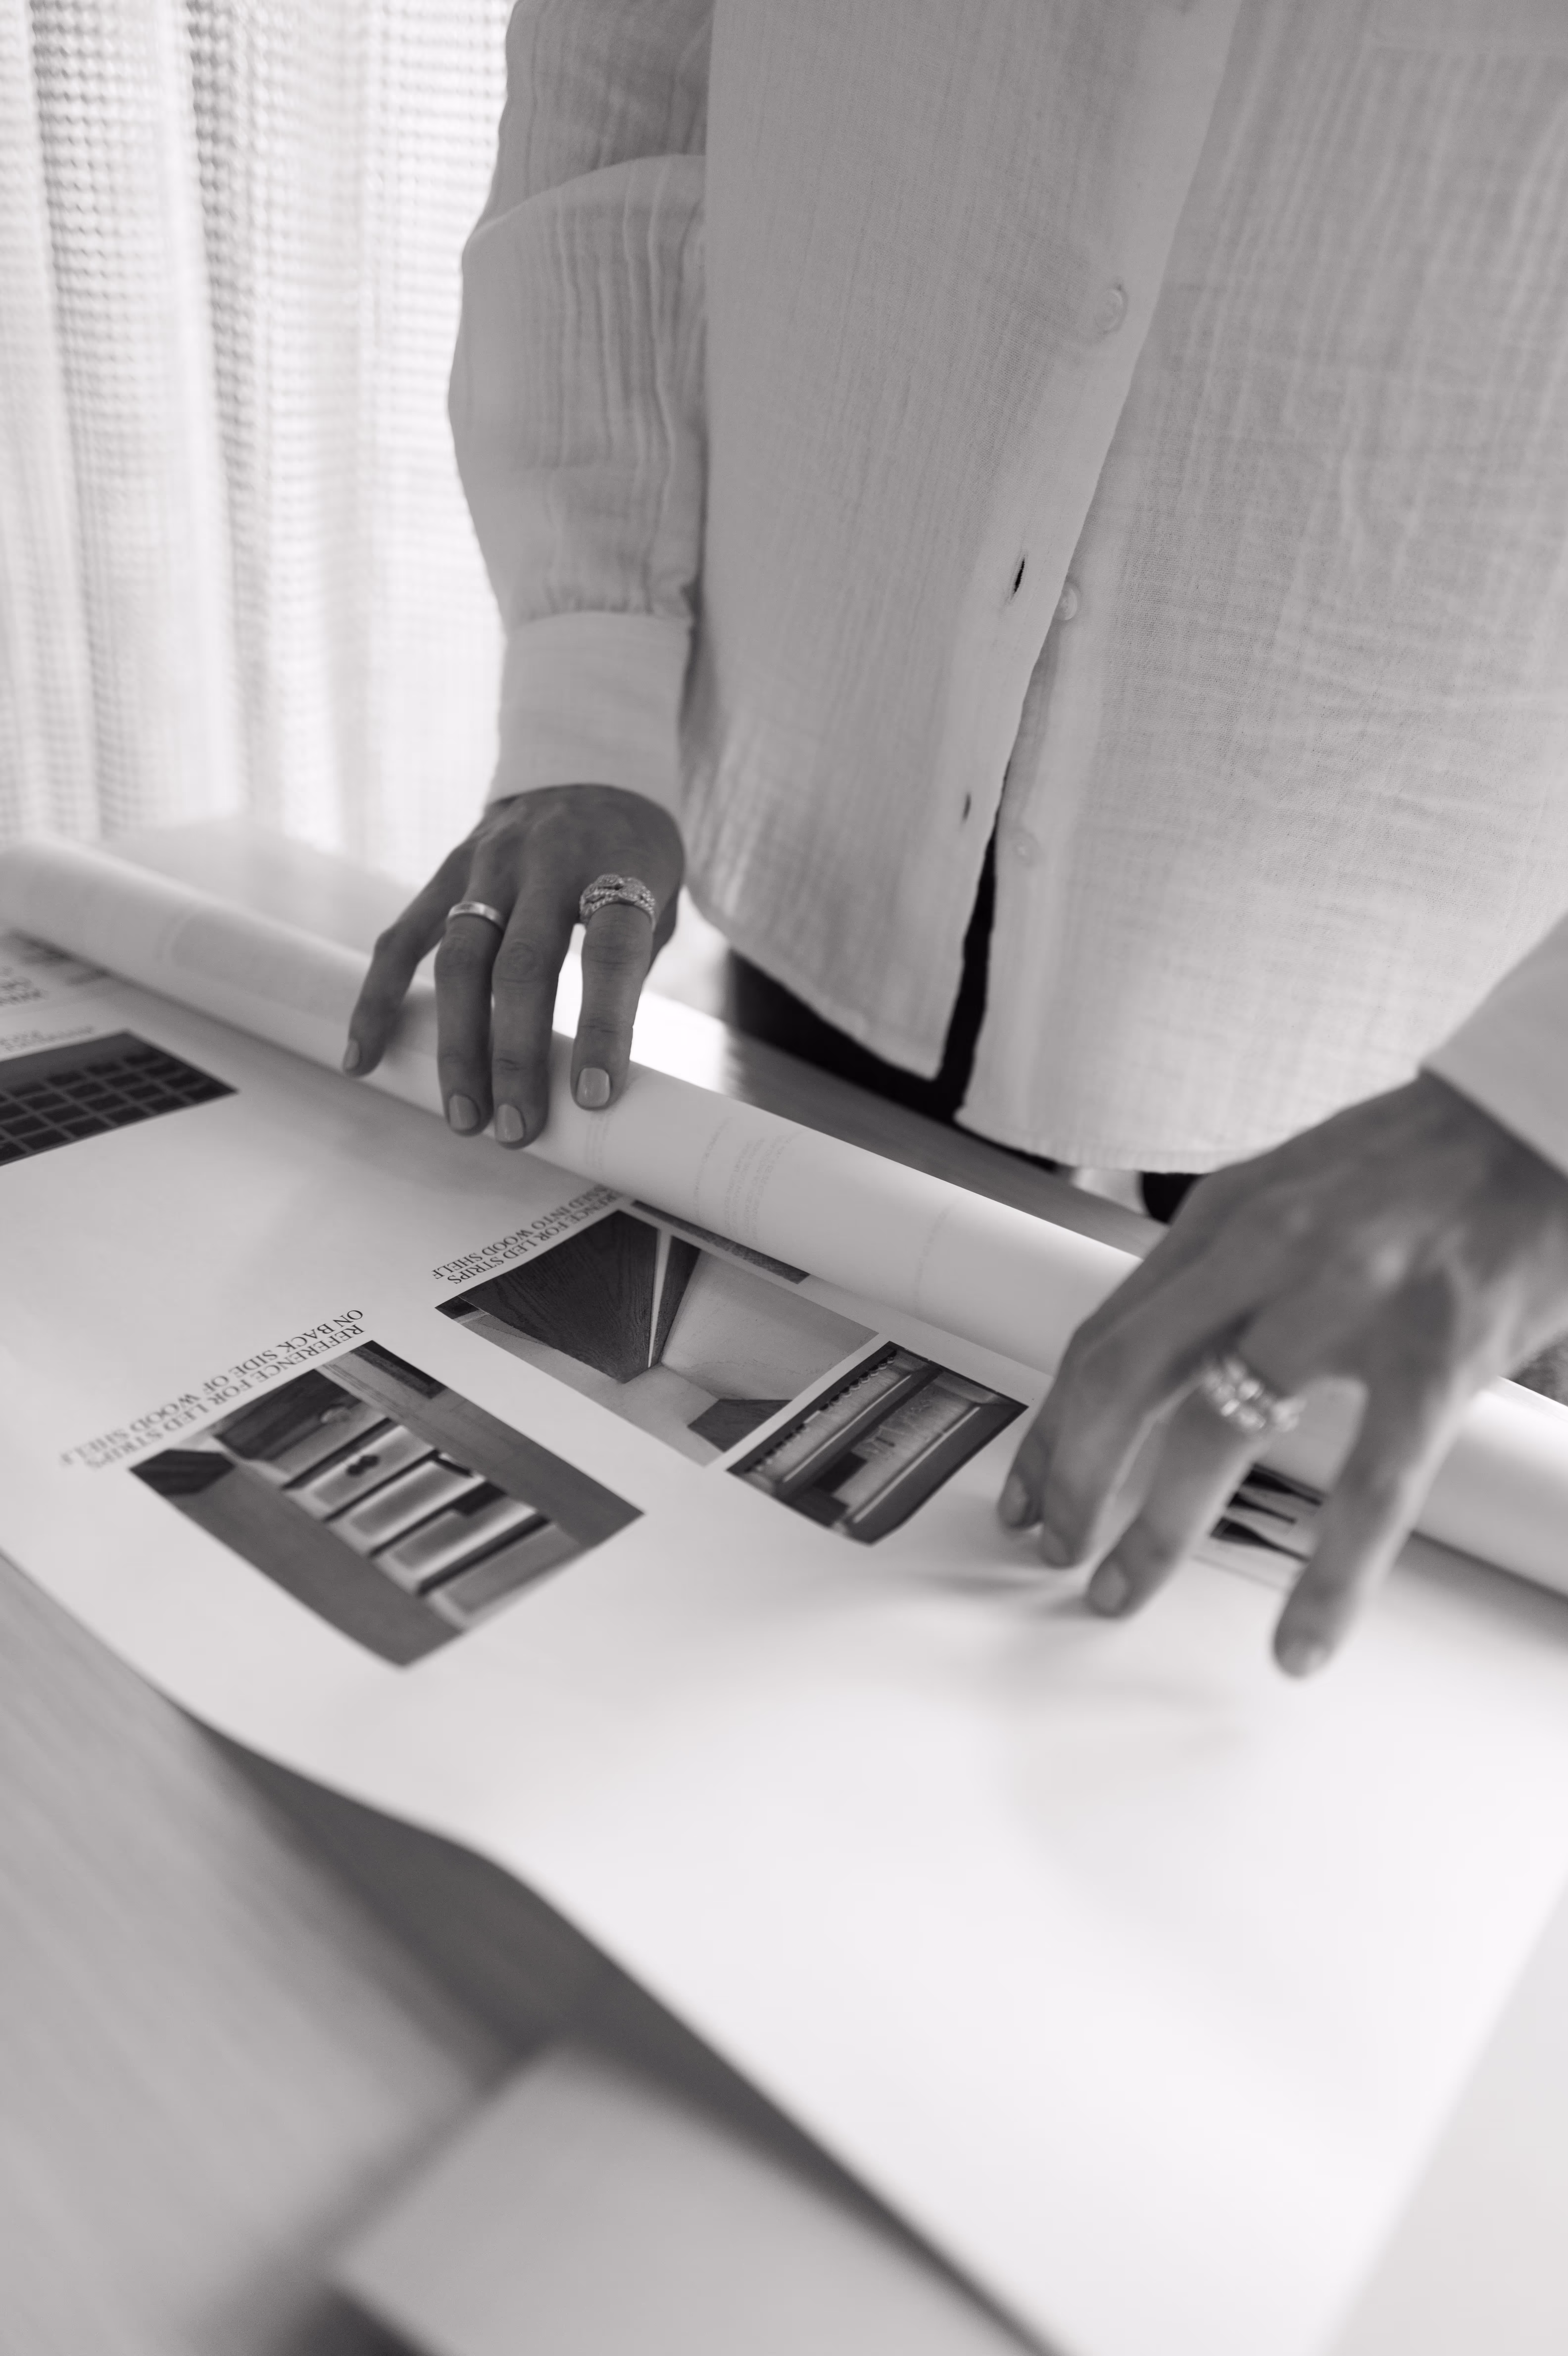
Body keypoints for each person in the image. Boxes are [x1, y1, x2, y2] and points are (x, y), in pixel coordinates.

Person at [345, 0, 1568, 1674]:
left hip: (1456, 1004)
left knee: (1394, 1659)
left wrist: (1536, 1121)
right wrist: (590, 686)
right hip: (852, 791)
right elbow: (626, 73)